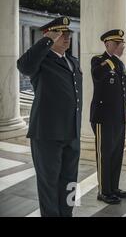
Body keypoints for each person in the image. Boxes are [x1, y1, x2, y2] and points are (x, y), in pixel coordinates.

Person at [17, 17, 82, 217]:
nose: (66, 37)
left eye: (68, 34)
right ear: (50, 35)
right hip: (47, 133)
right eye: (61, 34)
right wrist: (46, 40)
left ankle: (67, 214)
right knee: (49, 183)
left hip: (71, 132)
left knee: (70, 181)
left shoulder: (72, 61)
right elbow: (24, 66)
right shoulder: (41, 61)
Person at [90, 29, 126, 204]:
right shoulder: (99, 61)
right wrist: (111, 59)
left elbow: (124, 91)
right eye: (118, 44)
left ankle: (113, 187)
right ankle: (103, 191)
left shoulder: (120, 64)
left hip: (118, 118)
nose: (121, 47)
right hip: (103, 118)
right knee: (105, 155)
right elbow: (97, 75)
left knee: (116, 155)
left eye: (122, 44)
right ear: (107, 44)